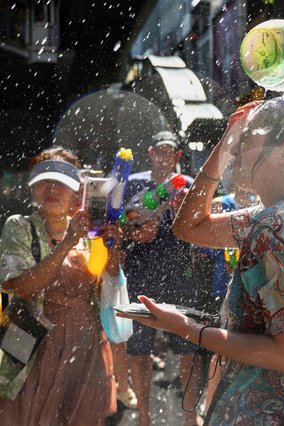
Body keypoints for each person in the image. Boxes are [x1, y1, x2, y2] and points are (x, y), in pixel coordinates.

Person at [119, 97, 284, 424]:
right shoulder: (281, 216)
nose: (236, 149)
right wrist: (224, 147)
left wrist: (187, 328)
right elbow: (189, 226)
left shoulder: (277, 227)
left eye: (247, 139)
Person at [0, 147, 117, 424]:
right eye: (43, 181)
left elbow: (107, 289)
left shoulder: (90, 233)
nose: (52, 188)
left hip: (84, 349)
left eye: (62, 182)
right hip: (29, 345)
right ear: (32, 189)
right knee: (27, 413)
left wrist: (113, 247)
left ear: (78, 193)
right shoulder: (19, 226)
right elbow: (24, 287)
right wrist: (66, 244)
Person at [121, 130, 201, 426]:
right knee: (138, 350)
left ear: (178, 157)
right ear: (150, 152)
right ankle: (144, 417)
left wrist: (185, 214)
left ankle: (190, 419)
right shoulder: (132, 183)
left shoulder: (188, 186)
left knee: (188, 351)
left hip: (179, 277)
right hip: (139, 277)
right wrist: (135, 232)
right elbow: (116, 225)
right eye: (160, 151)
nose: (165, 157)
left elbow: (202, 233)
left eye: (171, 152)